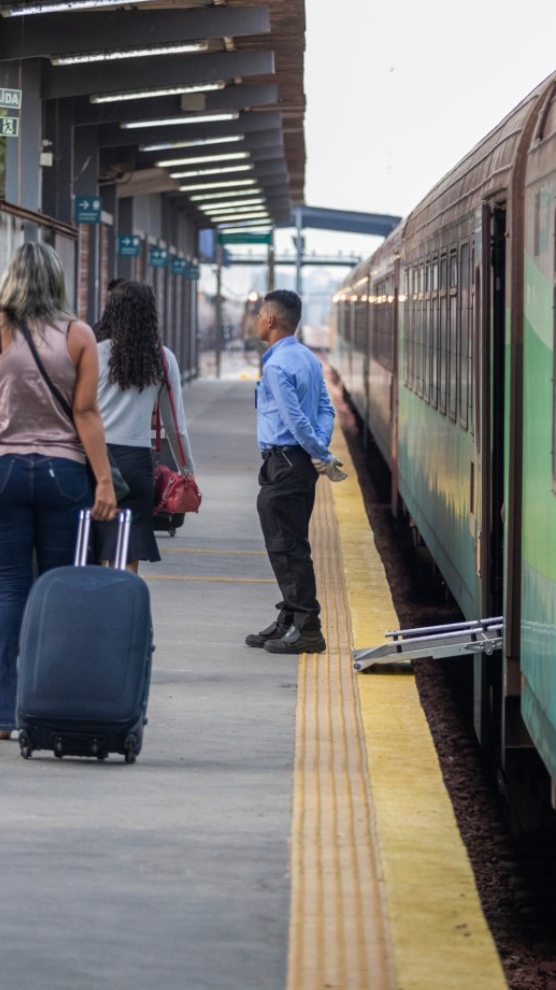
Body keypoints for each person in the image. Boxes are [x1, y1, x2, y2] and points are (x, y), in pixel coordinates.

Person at [0, 242, 118, 740]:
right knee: (56, 590)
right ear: (57, 279)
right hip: (63, 475)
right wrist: (106, 481)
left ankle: (4, 713)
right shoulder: (78, 334)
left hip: (3, 470)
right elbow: (86, 414)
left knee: (8, 591)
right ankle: (48, 706)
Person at [246, 289, 346, 656]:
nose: (256, 320)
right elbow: (325, 410)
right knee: (293, 544)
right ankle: (288, 619)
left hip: (283, 462)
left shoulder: (275, 366)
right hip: (300, 465)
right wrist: (319, 452)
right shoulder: (306, 358)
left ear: (270, 320)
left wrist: (318, 450)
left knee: (287, 550)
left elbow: (294, 418)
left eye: (259, 314)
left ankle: (308, 627)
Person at [93, 279, 195, 572]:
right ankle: (130, 616)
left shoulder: (95, 353)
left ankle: (95, 613)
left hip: (96, 458)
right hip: (136, 463)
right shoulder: (162, 358)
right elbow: (175, 424)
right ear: (151, 313)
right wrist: (187, 468)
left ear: (112, 310)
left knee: (95, 545)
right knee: (128, 551)